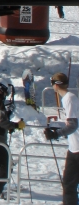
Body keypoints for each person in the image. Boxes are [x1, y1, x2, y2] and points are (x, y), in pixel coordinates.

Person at [44, 72, 79, 205]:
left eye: (52, 83)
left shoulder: (69, 99)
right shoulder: (70, 98)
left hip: (77, 149)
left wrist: (56, 134)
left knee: (69, 184)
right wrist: (56, 129)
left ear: (56, 85)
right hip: (74, 147)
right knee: (69, 183)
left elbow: (73, 125)